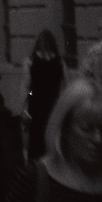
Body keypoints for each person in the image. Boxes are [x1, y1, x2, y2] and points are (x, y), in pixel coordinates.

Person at [23, 28, 66, 161]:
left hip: (35, 101)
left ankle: (35, 163)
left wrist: (26, 103)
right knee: (52, 133)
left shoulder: (31, 61)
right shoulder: (59, 61)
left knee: (35, 135)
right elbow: (65, 84)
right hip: (53, 101)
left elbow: (28, 85)